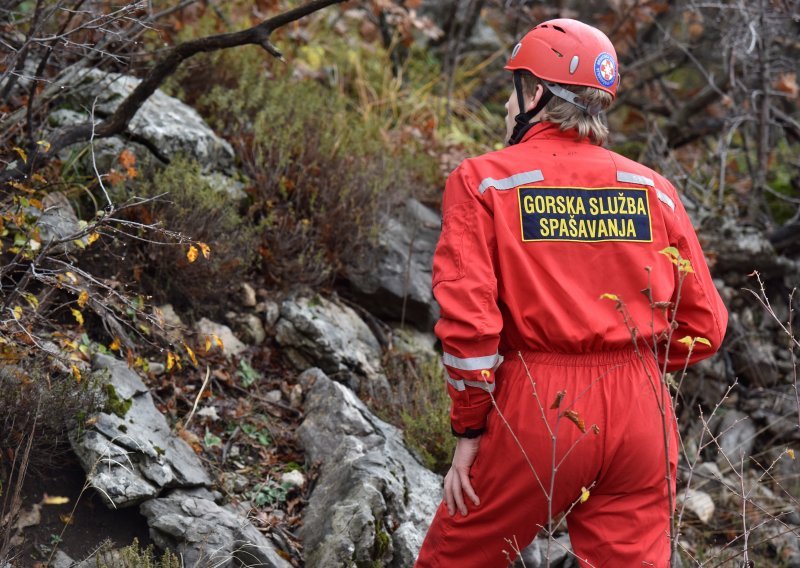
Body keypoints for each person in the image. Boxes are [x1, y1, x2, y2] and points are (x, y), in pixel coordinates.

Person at [415, 18, 728, 568]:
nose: (508, 109)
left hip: (538, 403)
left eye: (515, 92)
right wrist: (637, 365)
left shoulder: (484, 181)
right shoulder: (653, 189)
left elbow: (470, 330)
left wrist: (469, 427)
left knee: (454, 562)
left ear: (536, 94)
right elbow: (706, 326)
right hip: (642, 409)